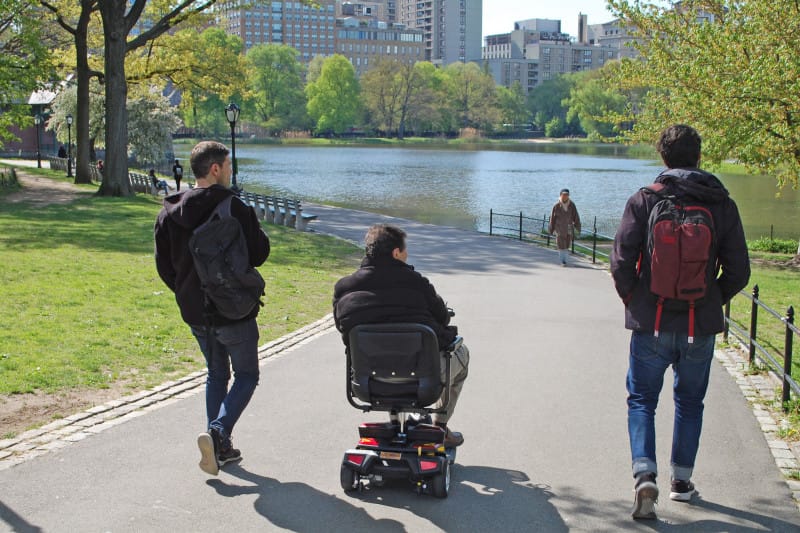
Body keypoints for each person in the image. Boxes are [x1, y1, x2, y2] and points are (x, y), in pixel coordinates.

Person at [610, 125, 750, 519]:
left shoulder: (645, 199)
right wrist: (710, 301)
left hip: (651, 322)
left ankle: (644, 476)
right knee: (690, 402)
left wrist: (635, 301)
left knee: (641, 400)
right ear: (699, 157)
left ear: (663, 158)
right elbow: (739, 269)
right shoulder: (721, 204)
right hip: (698, 326)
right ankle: (682, 483)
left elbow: (621, 261)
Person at [154, 141, 270, 476]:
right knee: (247, 374)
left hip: (194, 309)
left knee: (217, 374)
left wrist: (186, 291)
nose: (230, 171)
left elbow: (164, 266)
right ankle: (218, 432)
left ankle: (218, 448)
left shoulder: (168, 211)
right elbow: (259, 254)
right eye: (228, 165)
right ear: (215, 169)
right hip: (233, 306)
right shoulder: (233, 206)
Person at [332, 224, 470, 448]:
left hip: (369, 381)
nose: (407, 256)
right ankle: (440, 427)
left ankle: (396, 418)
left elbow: (342, 329)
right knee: (462, 354)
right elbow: (442, 318)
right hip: (424, 379)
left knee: (382, 355)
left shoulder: (344, 289)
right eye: (405, 251)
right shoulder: (416, 283)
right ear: (396, 253)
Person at [548, 188, 581, 266]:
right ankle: (562, 261)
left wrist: (578, 227)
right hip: (559, 228)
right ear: (560, 195)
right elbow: (552, 218)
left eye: (567, 195)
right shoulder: (556, 206)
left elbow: (576, 217)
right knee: (560, 245)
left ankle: (565, 260)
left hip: (569, 228)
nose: (565, 196)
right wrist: (551, 229)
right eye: (563, 194)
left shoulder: (572, 205)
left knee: (567, 245)